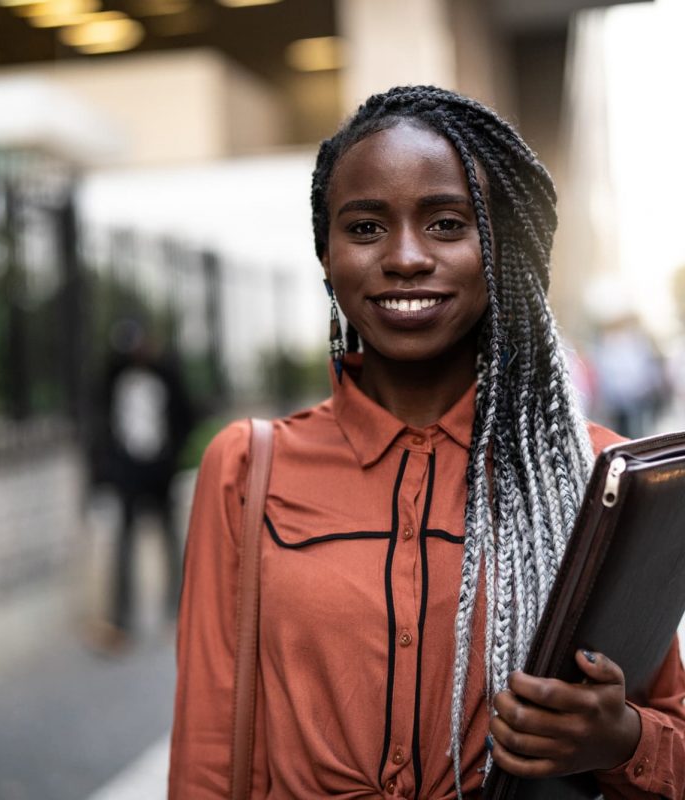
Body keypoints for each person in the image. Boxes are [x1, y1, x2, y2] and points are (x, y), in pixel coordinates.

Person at [169, 86, 685, 798]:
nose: (406, 257)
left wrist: (619, 738)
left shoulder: (596, 476)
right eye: (366, 227)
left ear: (500, 251)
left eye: (446, 224)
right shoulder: (247, 469)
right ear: (327, 254)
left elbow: (673, 737)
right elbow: (206, 748)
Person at [91, 319, 194, 650]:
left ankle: (179, 611)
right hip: (127, 470)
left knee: (170, 538)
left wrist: (172, 456)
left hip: (160, 468)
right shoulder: (113, 380)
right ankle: (121, 620)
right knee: (124, 542)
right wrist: (108, 467)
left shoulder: (166, 374)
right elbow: (100, 424)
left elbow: (186, 415)